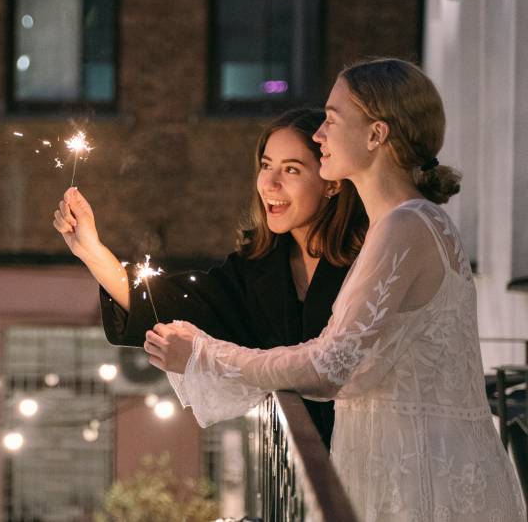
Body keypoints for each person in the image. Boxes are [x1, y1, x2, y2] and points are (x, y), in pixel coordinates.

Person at [144, 58, 526, 521]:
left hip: (425, 488)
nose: (320, 134)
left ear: (376, 135)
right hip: (395, 477)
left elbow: (328, 366)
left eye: (331, 119)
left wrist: (206, 356)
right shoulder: (399, 223)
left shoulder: (406, 226)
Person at [52, 108, 368, 447]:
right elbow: (173, 302)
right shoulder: (259, 267)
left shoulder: (367, 259)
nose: (270, 183)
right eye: (266, 165)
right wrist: (90, 249)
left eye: (291, 169)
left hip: (367, 449)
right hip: (311, 474)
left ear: (332, 182)